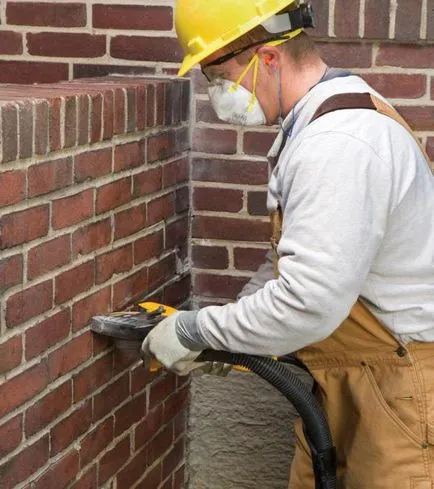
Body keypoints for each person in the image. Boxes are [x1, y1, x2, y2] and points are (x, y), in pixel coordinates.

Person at [142, 1, 434, 487]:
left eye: (219, 75)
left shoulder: (338, 144)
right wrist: (231, 335)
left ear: (268, 58)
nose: (216, 93)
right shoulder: (317, 123)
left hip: (403, 388)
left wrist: (200, 331)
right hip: (356, 379)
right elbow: (285, 265)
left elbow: (306, 301)